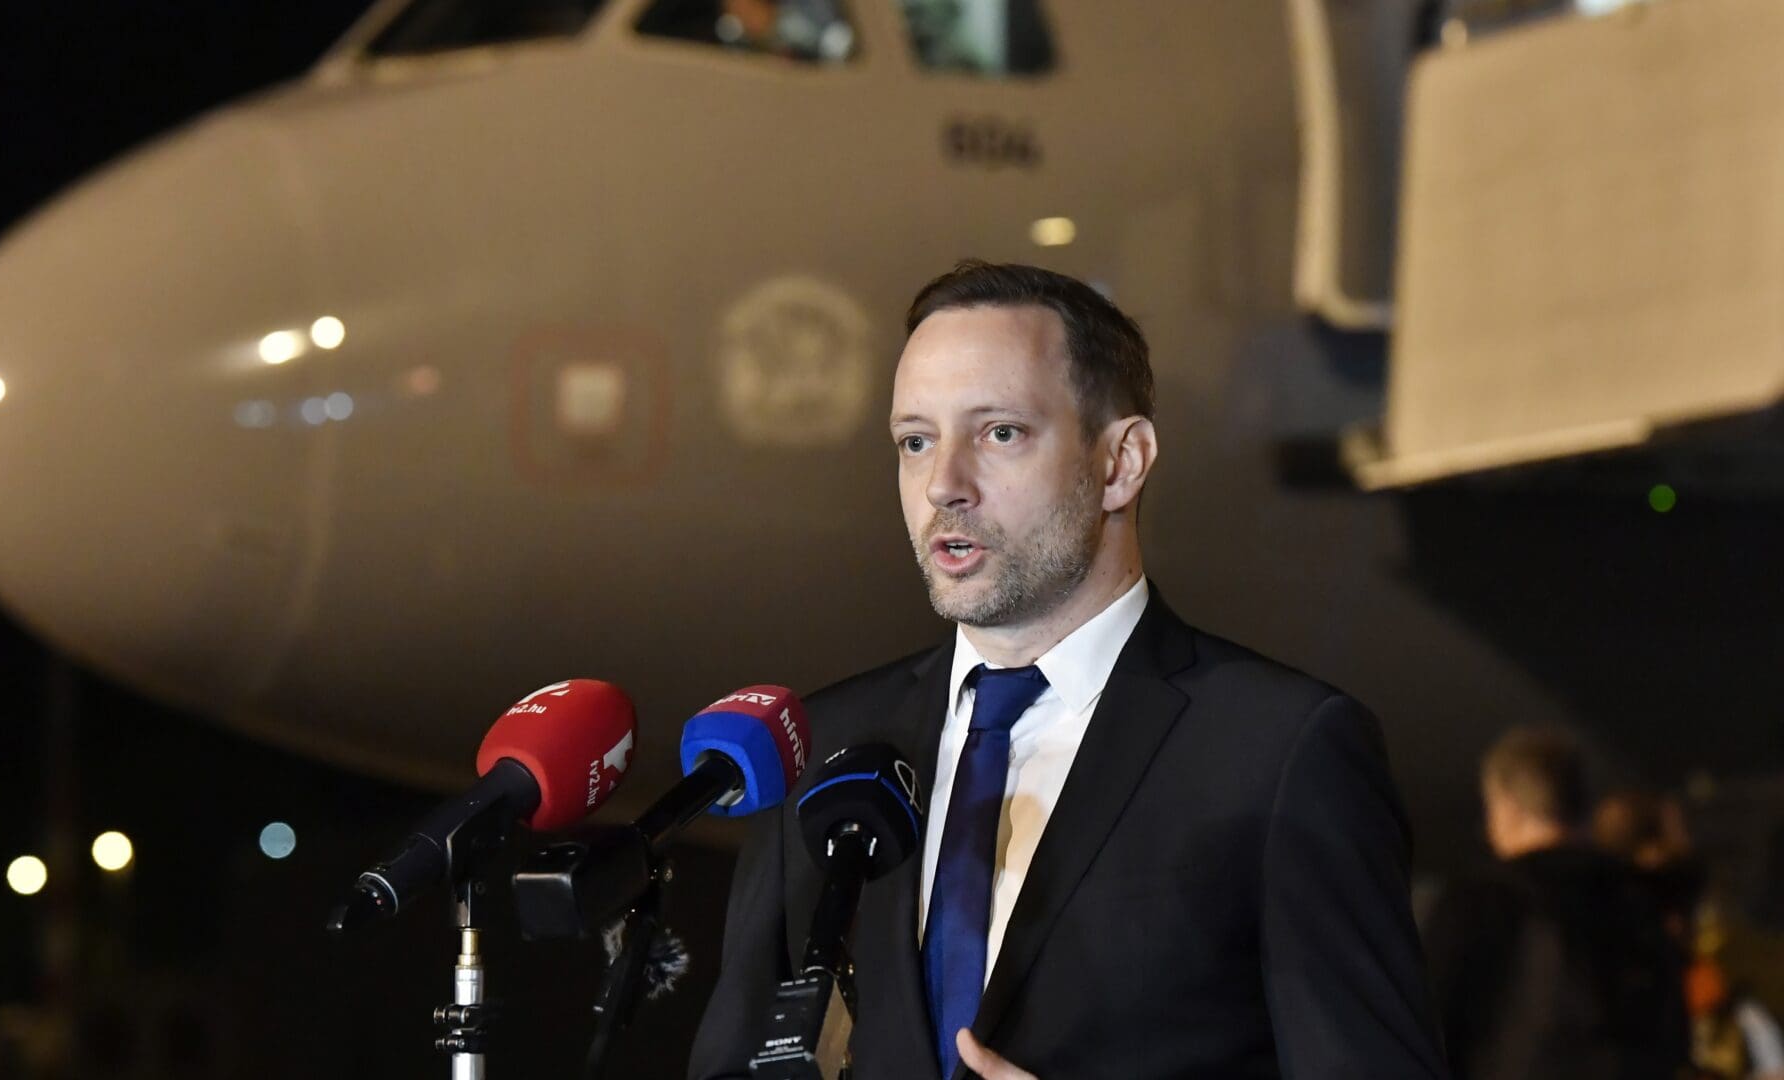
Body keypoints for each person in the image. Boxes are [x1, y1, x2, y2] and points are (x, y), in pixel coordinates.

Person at [687, 261, 1446, 1079]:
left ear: (1121, 462)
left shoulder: (1280, 751)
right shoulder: (823, 745)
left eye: (1000, 433)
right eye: (915, 441)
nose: (944, 484)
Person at [1421, 728, 1688, 1079]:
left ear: (1508, 807)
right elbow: (1675, 1034)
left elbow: (1428, 1025)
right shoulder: (1640, 897)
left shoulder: (1481, 899)